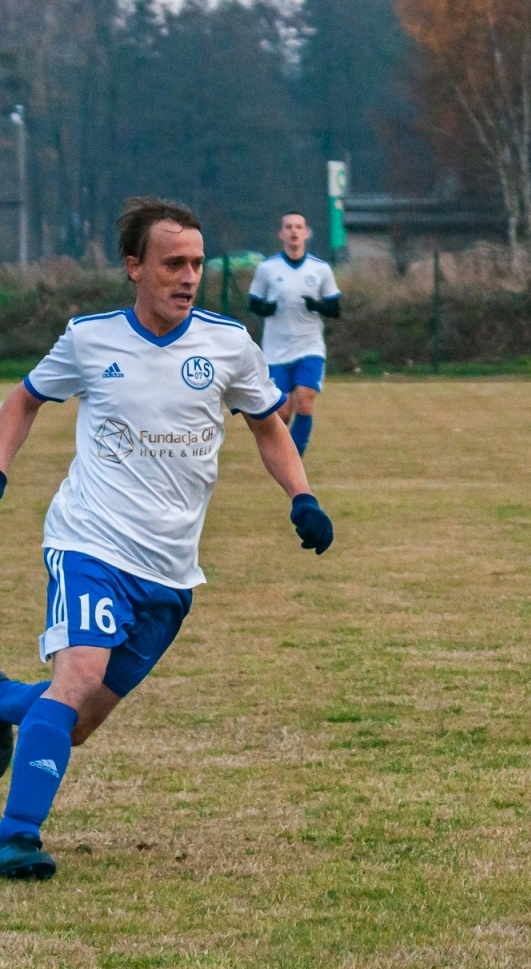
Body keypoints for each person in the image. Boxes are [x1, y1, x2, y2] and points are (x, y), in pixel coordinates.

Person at [0, 197, 335, 881]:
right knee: (80, 675)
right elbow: (24, 400)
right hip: (89, 541)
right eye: (172, 263)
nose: (188, 276)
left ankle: (4, 702)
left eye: (196, 263)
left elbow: (269, 426)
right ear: (134, 267)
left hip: (171, 571)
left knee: (78, 718)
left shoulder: (228, 344)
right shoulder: (91, 339)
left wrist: (302, 497)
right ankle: (16, 835)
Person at [248, 212, 341, 456]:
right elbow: (254, 302)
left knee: (305, 399)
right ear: (281, 234)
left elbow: (335, 308)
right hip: (276, 350)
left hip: (309, 346)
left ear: (306, 233)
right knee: (282, 412)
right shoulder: (268, 268)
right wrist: (267, 308)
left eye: (299, 227)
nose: (293, 232)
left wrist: (317, 306)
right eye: (288, 227)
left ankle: (294, 457)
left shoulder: (320, 269)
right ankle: (281, 449)